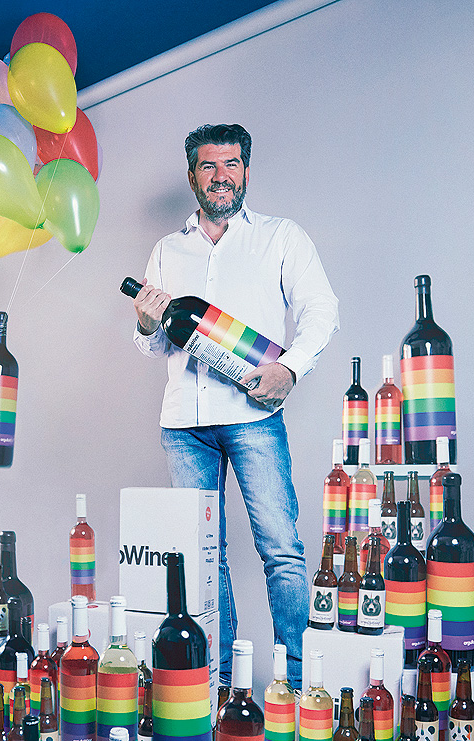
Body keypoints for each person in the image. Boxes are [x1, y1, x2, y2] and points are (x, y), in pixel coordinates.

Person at [132, 123, 339, 688]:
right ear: (192, 176)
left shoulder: (280, 237)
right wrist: (147, 323)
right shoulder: (167, 250)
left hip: (254, 417)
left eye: (230, 164)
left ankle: (299, 686)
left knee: (282, 550)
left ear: (246, 170)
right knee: (204, 558)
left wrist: (290, 368)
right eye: (209, 166)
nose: (220, 176)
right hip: (185, 426)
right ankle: (221, 688)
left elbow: (322, 308)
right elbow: (155, 344)